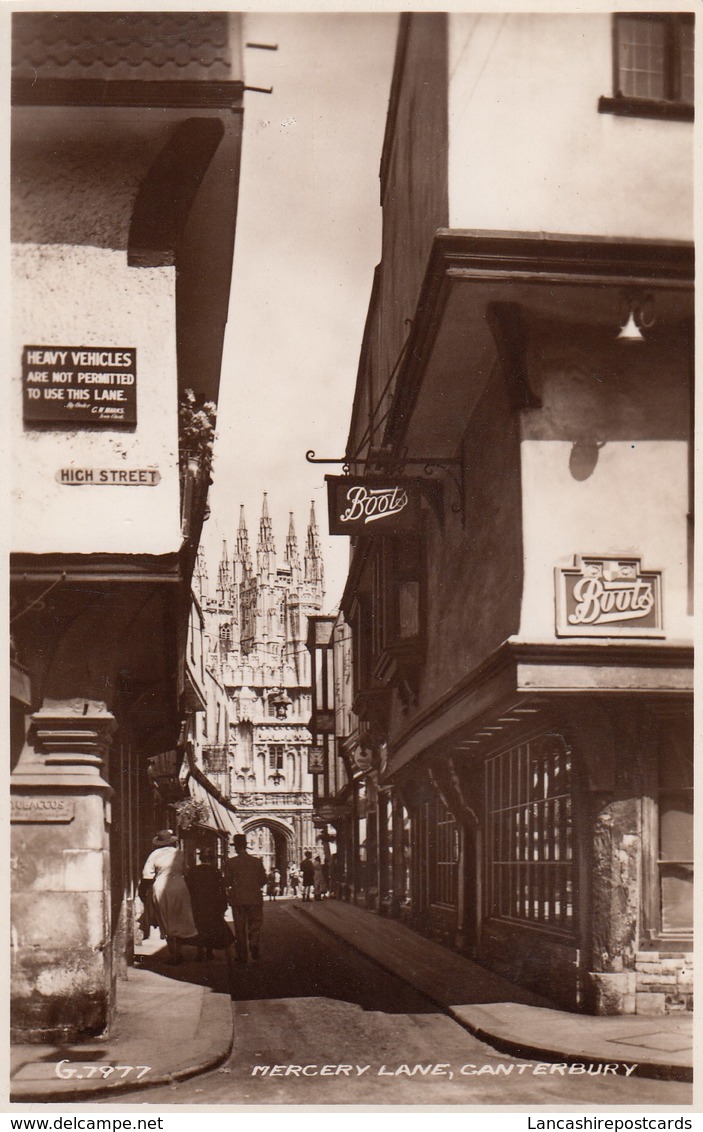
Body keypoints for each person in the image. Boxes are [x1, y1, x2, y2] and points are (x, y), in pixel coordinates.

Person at [141, 829, 198, 964]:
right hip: (179, 886)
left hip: (161, 887)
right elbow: (187, 871)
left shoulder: (154, 855)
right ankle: (178, 951)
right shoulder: (179, 853)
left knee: (166, 919)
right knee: (179, 918)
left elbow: (147, 875)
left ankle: (173, 954)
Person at [225, 834, 267, 963]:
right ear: (246, 846)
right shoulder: (256, 862)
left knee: (240, 928)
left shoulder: (231, 862)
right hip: (254, 898)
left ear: (236, 848)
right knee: (255, 924)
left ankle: (242, 956)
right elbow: (263, 880)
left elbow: (227, 881)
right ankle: (254, 942)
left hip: (237, 899)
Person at [187, 847, 231, 961]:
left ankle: (199, 951)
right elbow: (221, 890)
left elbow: (188, 888)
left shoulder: (193, 871)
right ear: (211, 859)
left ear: (200, 858)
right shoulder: (215, 871)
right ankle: (209, 951)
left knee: (199, 926)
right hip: (212, 904)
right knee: (210, 927)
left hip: (197, 903)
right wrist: (223, 904)